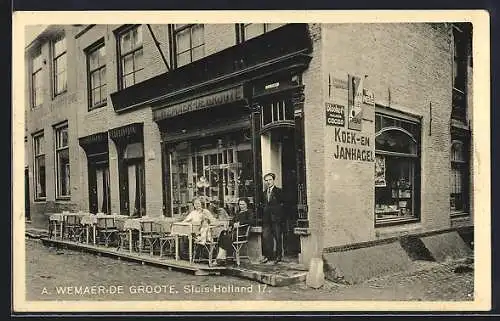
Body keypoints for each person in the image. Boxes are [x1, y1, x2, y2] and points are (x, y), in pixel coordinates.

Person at [214, 197, 254, 266]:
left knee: (227, 237)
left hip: (242, 233)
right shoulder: (238, 212)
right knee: (222, 234)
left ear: (247, 204)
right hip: (235, 232)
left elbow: (251, 221)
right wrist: (233, 224)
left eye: (243, 204)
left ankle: (220, 259)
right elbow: (232, 221)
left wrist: (240, 223)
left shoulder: (249, 212)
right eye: (240, 204)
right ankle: (222, 257)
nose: (242, 206)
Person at [260, 172, 285, 264]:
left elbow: (283, 205)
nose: (268, 182)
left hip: (276, 219)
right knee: (266, 237)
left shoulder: (279, 191)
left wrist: (278, 215)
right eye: (266, 180)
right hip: (266, 220)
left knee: (278, 237)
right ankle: (267, 256)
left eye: (270, 180)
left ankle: (279, 256)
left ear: (274, 180)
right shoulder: (263, 193)